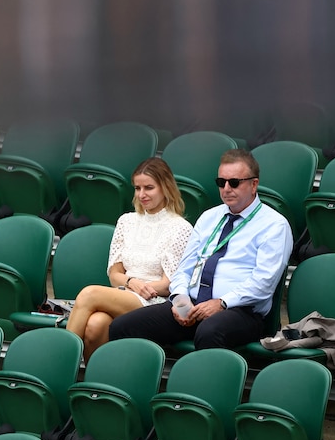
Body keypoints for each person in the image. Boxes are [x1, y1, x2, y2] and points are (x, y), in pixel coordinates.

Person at [107, 148, 294, 350]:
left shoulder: (274, 225)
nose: (226, 188)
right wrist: (180, 300)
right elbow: (184, 269)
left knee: (209, 331)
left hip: (241, 311)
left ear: (253, 184)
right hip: (193, 304)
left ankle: (199, 382)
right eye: (221, 183)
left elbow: (263, 283)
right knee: (122, 326)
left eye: (234, 182)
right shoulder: (209, 217)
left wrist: (221, 303)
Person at [66, 157, 192, 361]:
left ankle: (60, 360)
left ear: (165, 187)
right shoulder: (126, 221)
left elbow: (169, 284)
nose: (142, 194)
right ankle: (96, 382)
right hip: (124, 293)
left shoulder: (181, 228)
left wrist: (142, 287)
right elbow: (114, 274)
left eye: (149, 188)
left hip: (155, 301)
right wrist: (132, 283)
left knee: (89, 294)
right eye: (137, 188)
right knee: (96, 325)